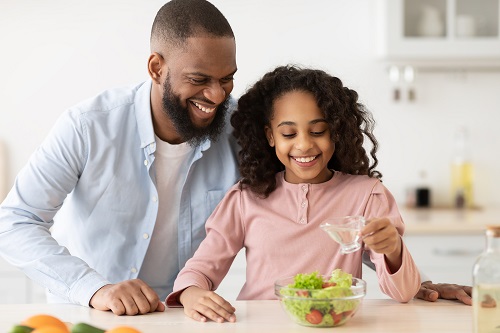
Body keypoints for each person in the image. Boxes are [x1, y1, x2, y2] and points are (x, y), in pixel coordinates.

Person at [0, 0, 471, 317]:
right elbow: (14, 221)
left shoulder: (239, 133)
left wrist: (419, 280)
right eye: (200, 79)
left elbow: (331, 218)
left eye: (227, 79)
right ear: (156, 67)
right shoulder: (88, 126)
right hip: (90, 312)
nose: (217, 94)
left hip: (182, 317)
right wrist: (94, 288)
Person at [165, 65, 422, 323]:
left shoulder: (367, 195)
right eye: (289, 133)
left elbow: (404, 291)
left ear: (335, 131)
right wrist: (190, 293)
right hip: (261, 326)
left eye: (318, 131)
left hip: (332, 325)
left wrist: (394, 249)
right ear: (271, 136)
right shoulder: (245, 199)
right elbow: (201, 268)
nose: (303, 145)